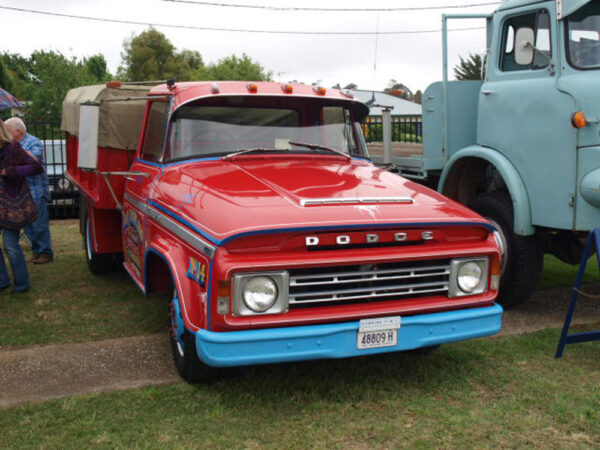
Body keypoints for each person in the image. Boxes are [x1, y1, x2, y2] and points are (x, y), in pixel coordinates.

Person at [0, 120, 43, 293]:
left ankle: (21, 284)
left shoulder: (12, 148)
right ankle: (2, 281)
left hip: (10, 205)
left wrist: (12, 171)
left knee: (10, 245)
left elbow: (36, 167)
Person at [5, 118, 53, 264]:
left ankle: (46, 252)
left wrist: (15, 154)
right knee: (28, 226)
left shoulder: (33, 142)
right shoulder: (11, 145)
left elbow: (33, 159)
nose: (6, 133)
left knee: (39, 224)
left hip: (36, 191)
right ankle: (37, 251)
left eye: (8, 130)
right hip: (22, 193)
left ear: (18, 131)